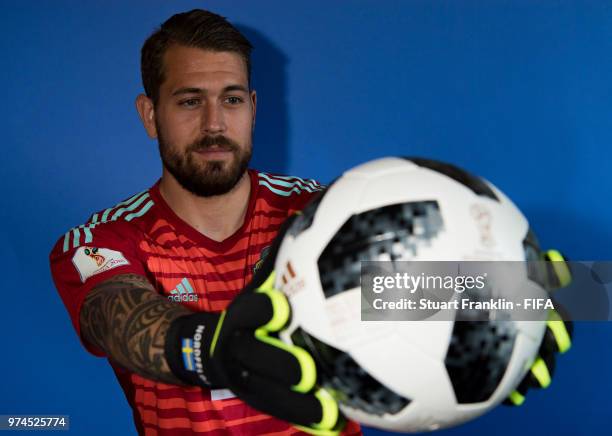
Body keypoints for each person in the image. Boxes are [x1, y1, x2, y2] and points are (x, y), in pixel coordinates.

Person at [50, 9, 361, 436]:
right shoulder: (105, 240)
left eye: (231, 99)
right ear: (149, 114)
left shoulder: (321, 213)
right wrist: (212, 350)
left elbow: (465, 299)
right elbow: (118, 315)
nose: (214, 124)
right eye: (190, 101)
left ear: (252, 109)